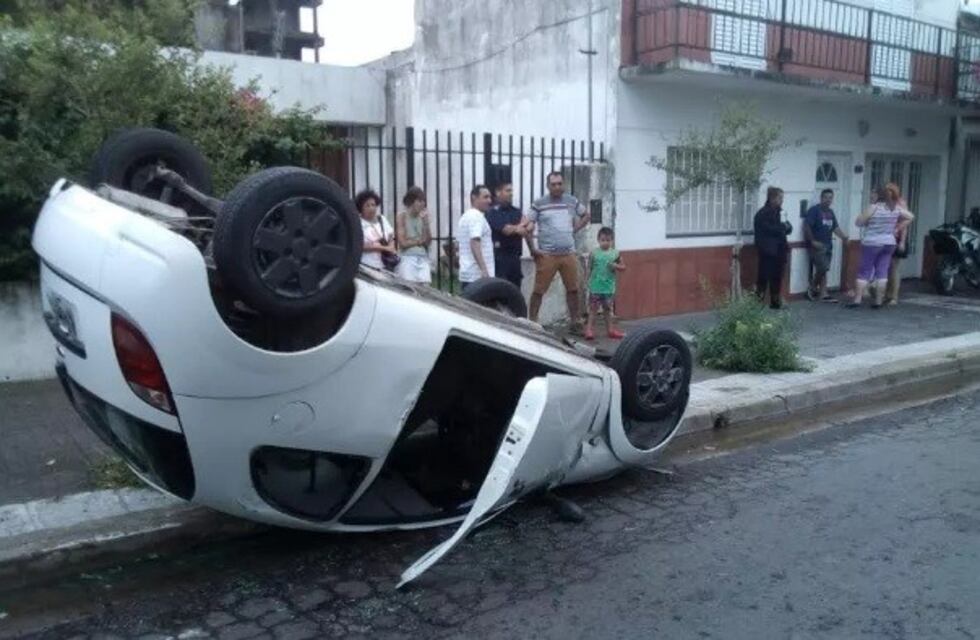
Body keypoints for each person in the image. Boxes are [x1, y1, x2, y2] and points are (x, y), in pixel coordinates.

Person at [526, 171, 589, 328]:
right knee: (539, 290)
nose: (557, 187)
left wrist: (574, 229)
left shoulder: (571, 201)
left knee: (573, 289)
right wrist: (533, 249)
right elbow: (528, 226)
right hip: (547, 255)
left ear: (563, 184)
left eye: (560, 183)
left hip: (569, 253)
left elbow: (586, 215)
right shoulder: (539, 204)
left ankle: (575, 322)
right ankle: (532, 322)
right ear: (548, 186)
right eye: (553, 184)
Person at [847, 183, 914, 309]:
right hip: (889, 243)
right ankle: (878, 301)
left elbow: (858, 222)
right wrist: (898, 228)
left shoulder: (874, 208)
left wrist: (867, 220)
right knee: (882, 272)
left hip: (872, 243)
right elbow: (911, 216)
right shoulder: (895, 208)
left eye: (874, 193)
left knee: (864, 271)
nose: (872, 195)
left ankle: (857, 300)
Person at [803, 189, 850, 303]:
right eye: (826, 197)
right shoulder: (814, 211)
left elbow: (835, 227)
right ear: (821, 198)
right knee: (823, 267)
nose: (828, 200)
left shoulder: (830, 212)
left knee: (824, 269)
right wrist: (813, 241)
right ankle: (813, 287)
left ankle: (823, 294)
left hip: (828, 244)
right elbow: (806, 226)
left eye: (830, 198)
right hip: (817, 245)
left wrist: (844, 237)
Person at [753, 187, 793, 310]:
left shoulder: (780, 212)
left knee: (777, 276)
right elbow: (770, 229)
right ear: (772, 198)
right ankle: (758, 303)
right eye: (780, 198)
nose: (782, 200)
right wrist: (782, 227)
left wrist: (784, 227)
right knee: (763, 277)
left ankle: (775, 302)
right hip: (767, 250)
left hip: (780, 249)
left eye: (782, 198)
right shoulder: (763, 213)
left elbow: (789, 228)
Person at [584, 227, 626, 341]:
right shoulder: (594, 253)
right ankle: (589, 330)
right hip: (595, 287)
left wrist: (615, 266)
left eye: (608, 240)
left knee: (608, 310)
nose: (605, 243)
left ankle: (611, 330)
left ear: (612, 240)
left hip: (608, 288)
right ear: (598, 240)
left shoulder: (615, 253)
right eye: (603, 240)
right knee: (593, 310)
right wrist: (587, 281)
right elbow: (589, 268)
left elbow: (623, 267)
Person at [486, 182, 527, 288]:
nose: (511, 193)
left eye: (511, 191)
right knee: (501, 289)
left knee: (516, 290)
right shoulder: (493, 212)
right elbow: (506, 230)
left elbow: (526, 230)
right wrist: (520, 226)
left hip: (515, 257)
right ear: (498, 192)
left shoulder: (516, 211)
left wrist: (518, 228)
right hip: (500, 257)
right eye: (508, 190)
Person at [455, 184, 494, 291]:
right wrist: (484, 270)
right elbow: (474, 242)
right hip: (477, 276)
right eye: (485, 197)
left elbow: (459, 245)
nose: (489, 201)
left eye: (490, 197)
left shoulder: (465, 216)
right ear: (474, 197)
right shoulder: (476, 216)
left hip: (468, 273)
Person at [395, 186, 433, 284]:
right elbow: (403, 243)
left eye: (424, 201)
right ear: (411, 201)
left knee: (425, 290)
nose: (423, 204)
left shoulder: (423, 217)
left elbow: (428, 242)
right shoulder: (402, 216)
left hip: (423, 257)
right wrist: (419, 241)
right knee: (408, 289)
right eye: (419, 201)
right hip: (408, 258)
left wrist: (426, 224)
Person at [357, 188, 397, 270]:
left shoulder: (382, 219)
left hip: (384, 265)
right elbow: (359, 245)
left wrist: (391, 247)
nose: (371, 208)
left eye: (373, 205)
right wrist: (383, 248)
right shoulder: (358, 223)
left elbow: (391, 237)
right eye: (367, 205)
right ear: (361, 208)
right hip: (366, 265)